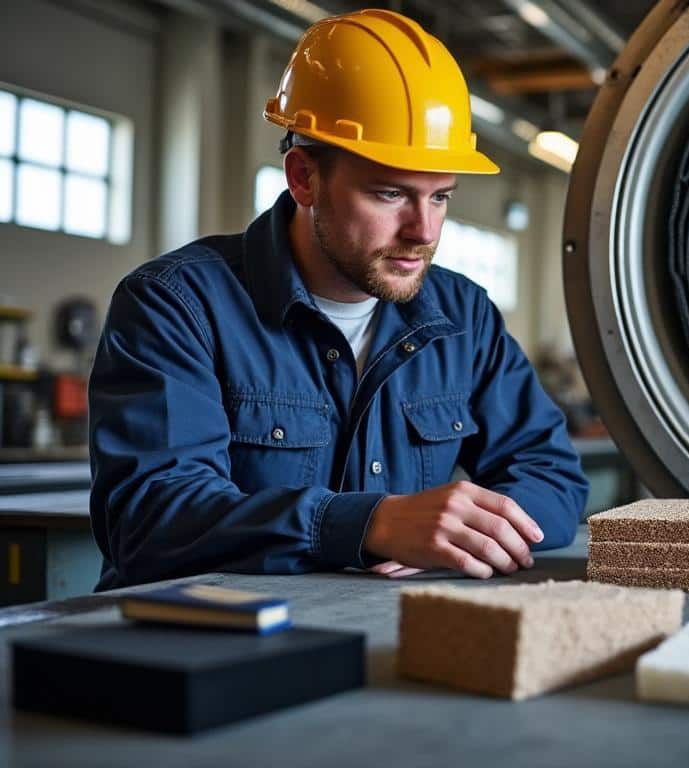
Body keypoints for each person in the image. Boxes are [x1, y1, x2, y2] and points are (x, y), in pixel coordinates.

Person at [88, 9, 588, 590]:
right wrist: (369, 524)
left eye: (441, 197)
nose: (423, 231)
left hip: (379, 636)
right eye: (390, 194)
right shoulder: (176, 306)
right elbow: (149, 518)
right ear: (303, 178)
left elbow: (553, 478)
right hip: (200, 647)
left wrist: (463, 532)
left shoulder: (463, 317)